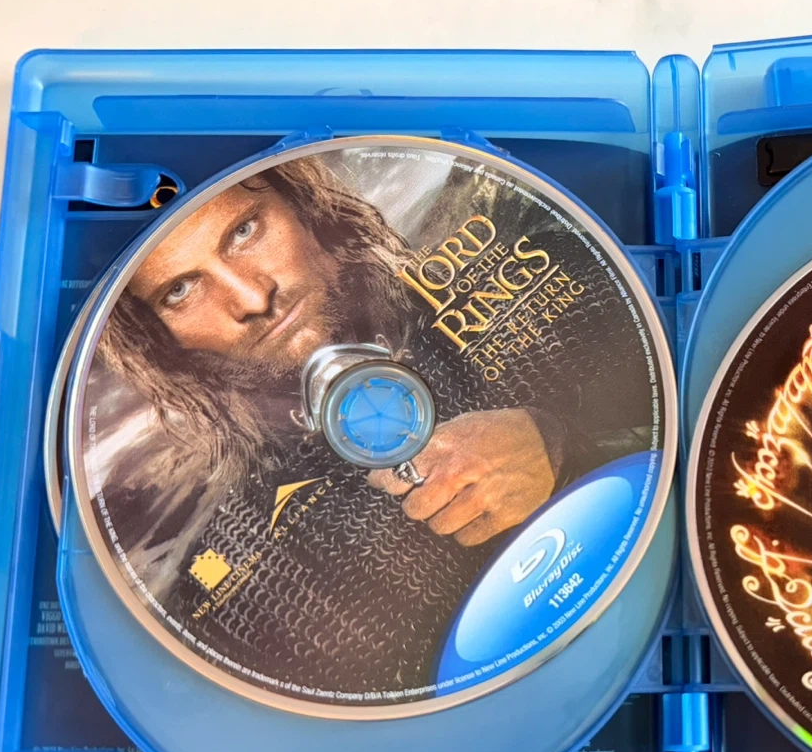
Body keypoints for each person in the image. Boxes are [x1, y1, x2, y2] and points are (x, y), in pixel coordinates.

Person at [90, 152, 653, 702]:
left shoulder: (533, 276)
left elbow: (693, 443)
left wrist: (562, 447)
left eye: (245, 231)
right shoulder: (235, 580)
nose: (253, 297)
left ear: (303, 207)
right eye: (180, 291)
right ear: (157, 343)